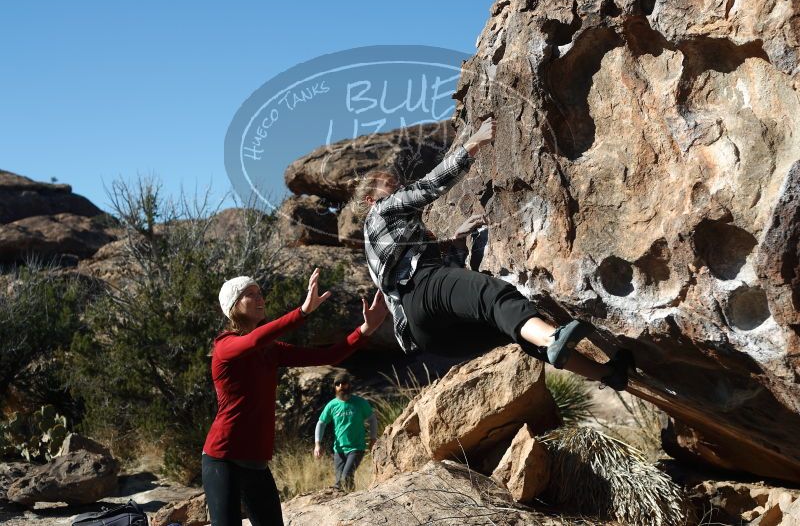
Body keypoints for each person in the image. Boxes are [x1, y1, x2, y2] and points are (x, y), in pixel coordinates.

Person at [356, 117, 633, 391]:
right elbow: (428, 187)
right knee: (496, 297)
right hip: (424, 290)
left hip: (428, 336)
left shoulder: (376, 240)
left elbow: (406, 262)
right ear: (371, 199)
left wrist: (451, 239)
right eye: (389, 185)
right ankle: (552, 339)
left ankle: (607, 374)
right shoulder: (382, 209)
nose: (397, 187)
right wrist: (475, 142)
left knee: (511, 326)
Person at [202, 268, 388, 526]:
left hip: (256, 462)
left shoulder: (271, 350)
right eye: (250, 294)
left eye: (260, 293)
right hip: (222, 459)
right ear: (233, 306)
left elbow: (327, 357)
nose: (260, 298)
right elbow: (254, 341)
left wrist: (365, 329)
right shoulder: (225, 346)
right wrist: (302, 312)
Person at [313, 371, 378, 491]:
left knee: (346, 477)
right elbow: (321, 423)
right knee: (339, 483)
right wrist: (318, 444)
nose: (341, 386)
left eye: (343, 383)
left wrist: (373, 439)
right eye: (337, 384)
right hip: (339, 449)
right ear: (335, 387)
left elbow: (372, 420)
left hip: (356, 448)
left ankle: (352, 502)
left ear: (349, 385)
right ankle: (348, 501)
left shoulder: (360, 402)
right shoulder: (332, 405)